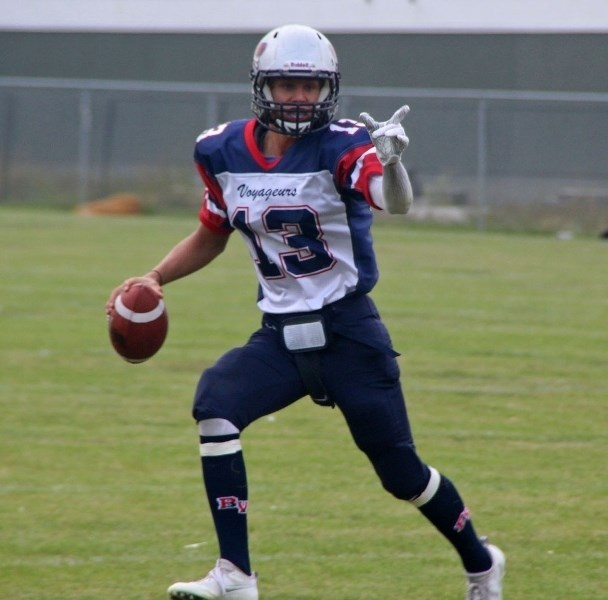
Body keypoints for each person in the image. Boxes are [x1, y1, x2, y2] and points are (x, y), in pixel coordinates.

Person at [106, 23, 505, 600]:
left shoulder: (344, 145)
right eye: (287, 84)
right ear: (262, 86)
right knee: (215, 404)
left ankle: (481, 561)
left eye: (311, 86)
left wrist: (393, 164)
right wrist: (155, 275)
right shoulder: (219, 149)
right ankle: (235, 575)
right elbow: (212, 232)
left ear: (329, 90)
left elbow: (394, 203)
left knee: (402, 475)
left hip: (348, 332)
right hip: (279, 335)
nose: (299, 97)